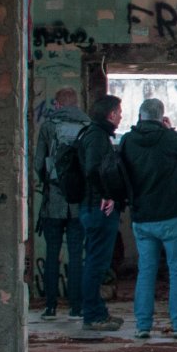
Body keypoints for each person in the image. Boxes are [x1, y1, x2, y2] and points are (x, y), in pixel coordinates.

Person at [119, 98, 177, 339]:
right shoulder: (167, 138)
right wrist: (171, 130)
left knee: (146, 271)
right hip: (172, 215)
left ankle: (142, 326)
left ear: (140, 116)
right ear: (161, 117)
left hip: (142, 216)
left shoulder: (128, 140)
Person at [33, 88, 89, 319]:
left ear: (57, 104)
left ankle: (50, 307)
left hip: (54, 200)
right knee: (76, 255)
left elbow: (38, 162)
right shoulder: (87, 127)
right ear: (76, 104)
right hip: (78, 201)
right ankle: (76, 308)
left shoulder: (48, 127)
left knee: (52, 253)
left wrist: (47, 181)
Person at [76, 94, 126, 332]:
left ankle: (97, 312)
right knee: (96, 263)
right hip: (98, 209)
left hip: (92, 206)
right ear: (110, 114)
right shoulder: (96, 136)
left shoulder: (92, 134)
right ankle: (93, 315)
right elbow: (93, 169)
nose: (121, 116)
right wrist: (106, 194)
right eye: (119, 112)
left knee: (96, 262)